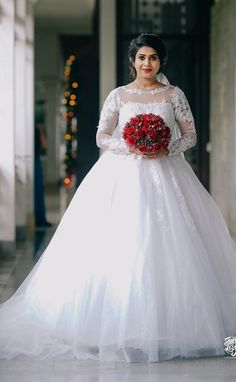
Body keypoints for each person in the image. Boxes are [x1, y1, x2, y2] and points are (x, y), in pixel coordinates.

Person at [0, 33, 236, 363]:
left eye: (153, 58)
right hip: (122, 175)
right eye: (141, 58)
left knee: (171, 244)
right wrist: (132, 146)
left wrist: (167, 147)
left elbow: (191, 134)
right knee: (120, 243)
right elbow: (102, 135)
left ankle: (173, 324)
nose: (147, 64)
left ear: (160, 61)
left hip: (167, 173)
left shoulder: (173, 95)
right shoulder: (119, 96)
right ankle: (114, 324)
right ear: (132, 62)